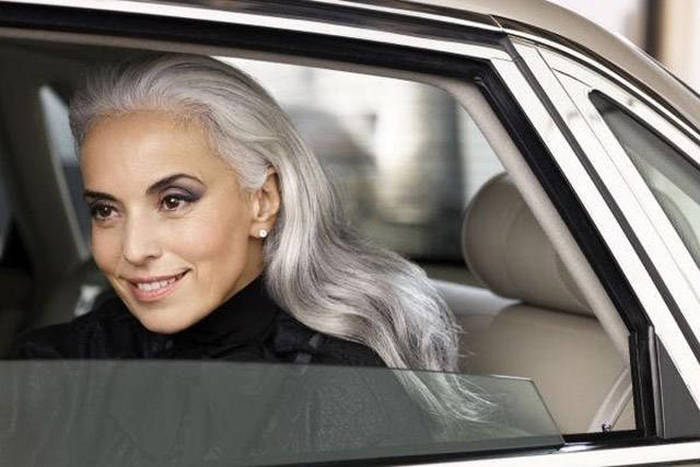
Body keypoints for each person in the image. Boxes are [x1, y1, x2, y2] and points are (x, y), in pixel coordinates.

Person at [9, 54, 490, 425]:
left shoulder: (342, 384)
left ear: (262, 201)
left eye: (174, 201)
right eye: (106, 210)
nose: (134, 249)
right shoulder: (76, 353)